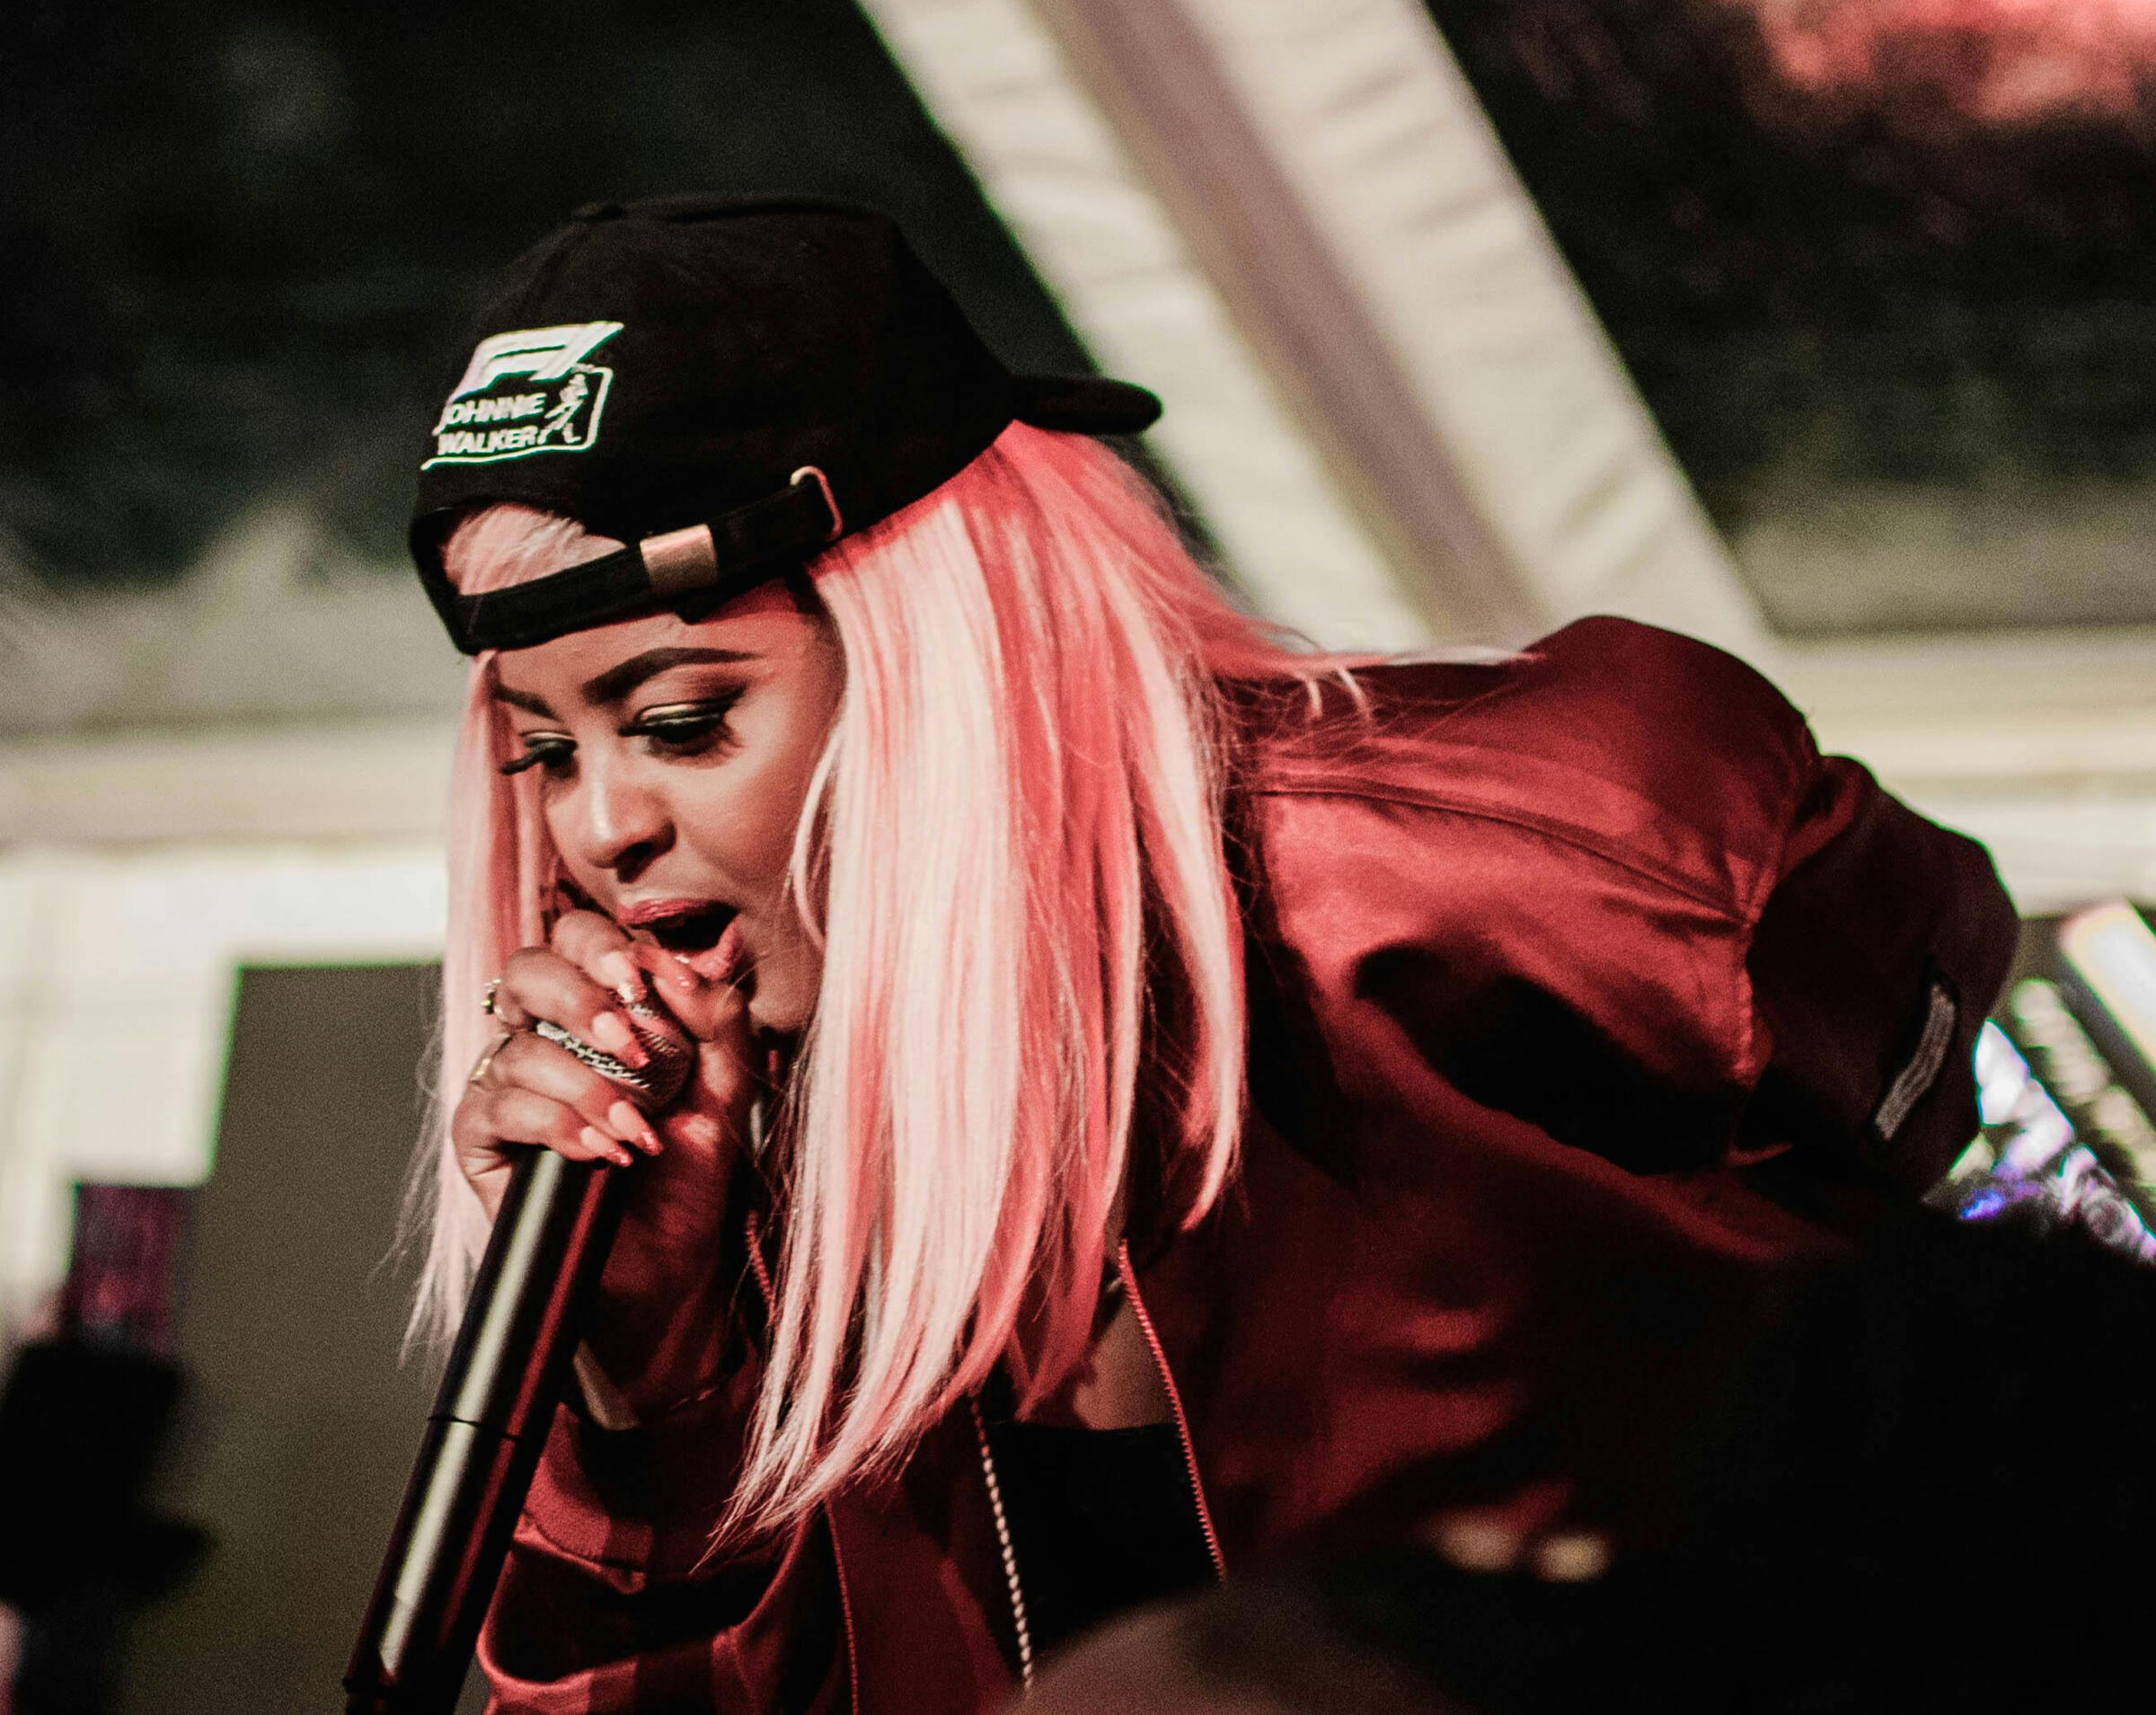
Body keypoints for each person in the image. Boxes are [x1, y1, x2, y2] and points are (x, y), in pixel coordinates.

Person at [408, 195, 2017, 1713]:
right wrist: (651, 1385)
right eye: (541, 750)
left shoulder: (1498, 858)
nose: (596, 829)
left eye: (681, 720)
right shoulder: (722, 1152)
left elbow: (1942, 1118)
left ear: (939, 656)